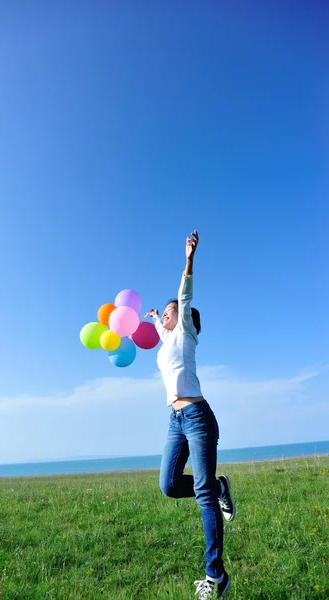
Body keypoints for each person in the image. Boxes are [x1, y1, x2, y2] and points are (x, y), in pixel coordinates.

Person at [147, 230, 235, 599]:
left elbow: (183, 296)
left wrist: (188, 259)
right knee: (168, 485)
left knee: (199, 493)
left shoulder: (185, 334)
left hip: (197, 416)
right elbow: (160, 328)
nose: (165, 316)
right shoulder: (167, 340)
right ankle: (218, 487)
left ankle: (216, 576)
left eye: (168, 313)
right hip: (174, 421)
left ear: (181, 319)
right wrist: (153, 318)